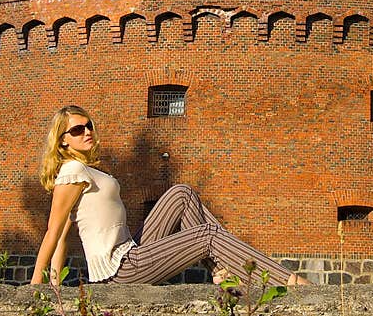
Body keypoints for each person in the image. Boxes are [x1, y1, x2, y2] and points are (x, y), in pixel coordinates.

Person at [30, 105, 310, 287]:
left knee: (181, 194)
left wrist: (56, 286)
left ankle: (219, 270)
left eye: (89, 125)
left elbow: (66, 233)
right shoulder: (73, 170)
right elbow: (55, 233)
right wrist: (38, 287)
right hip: (120, 271)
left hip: (131, 251)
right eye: (78, 129)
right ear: (63, 139)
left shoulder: (85, 169)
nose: (87, 132)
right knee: (208, 235)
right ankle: (289, 281)